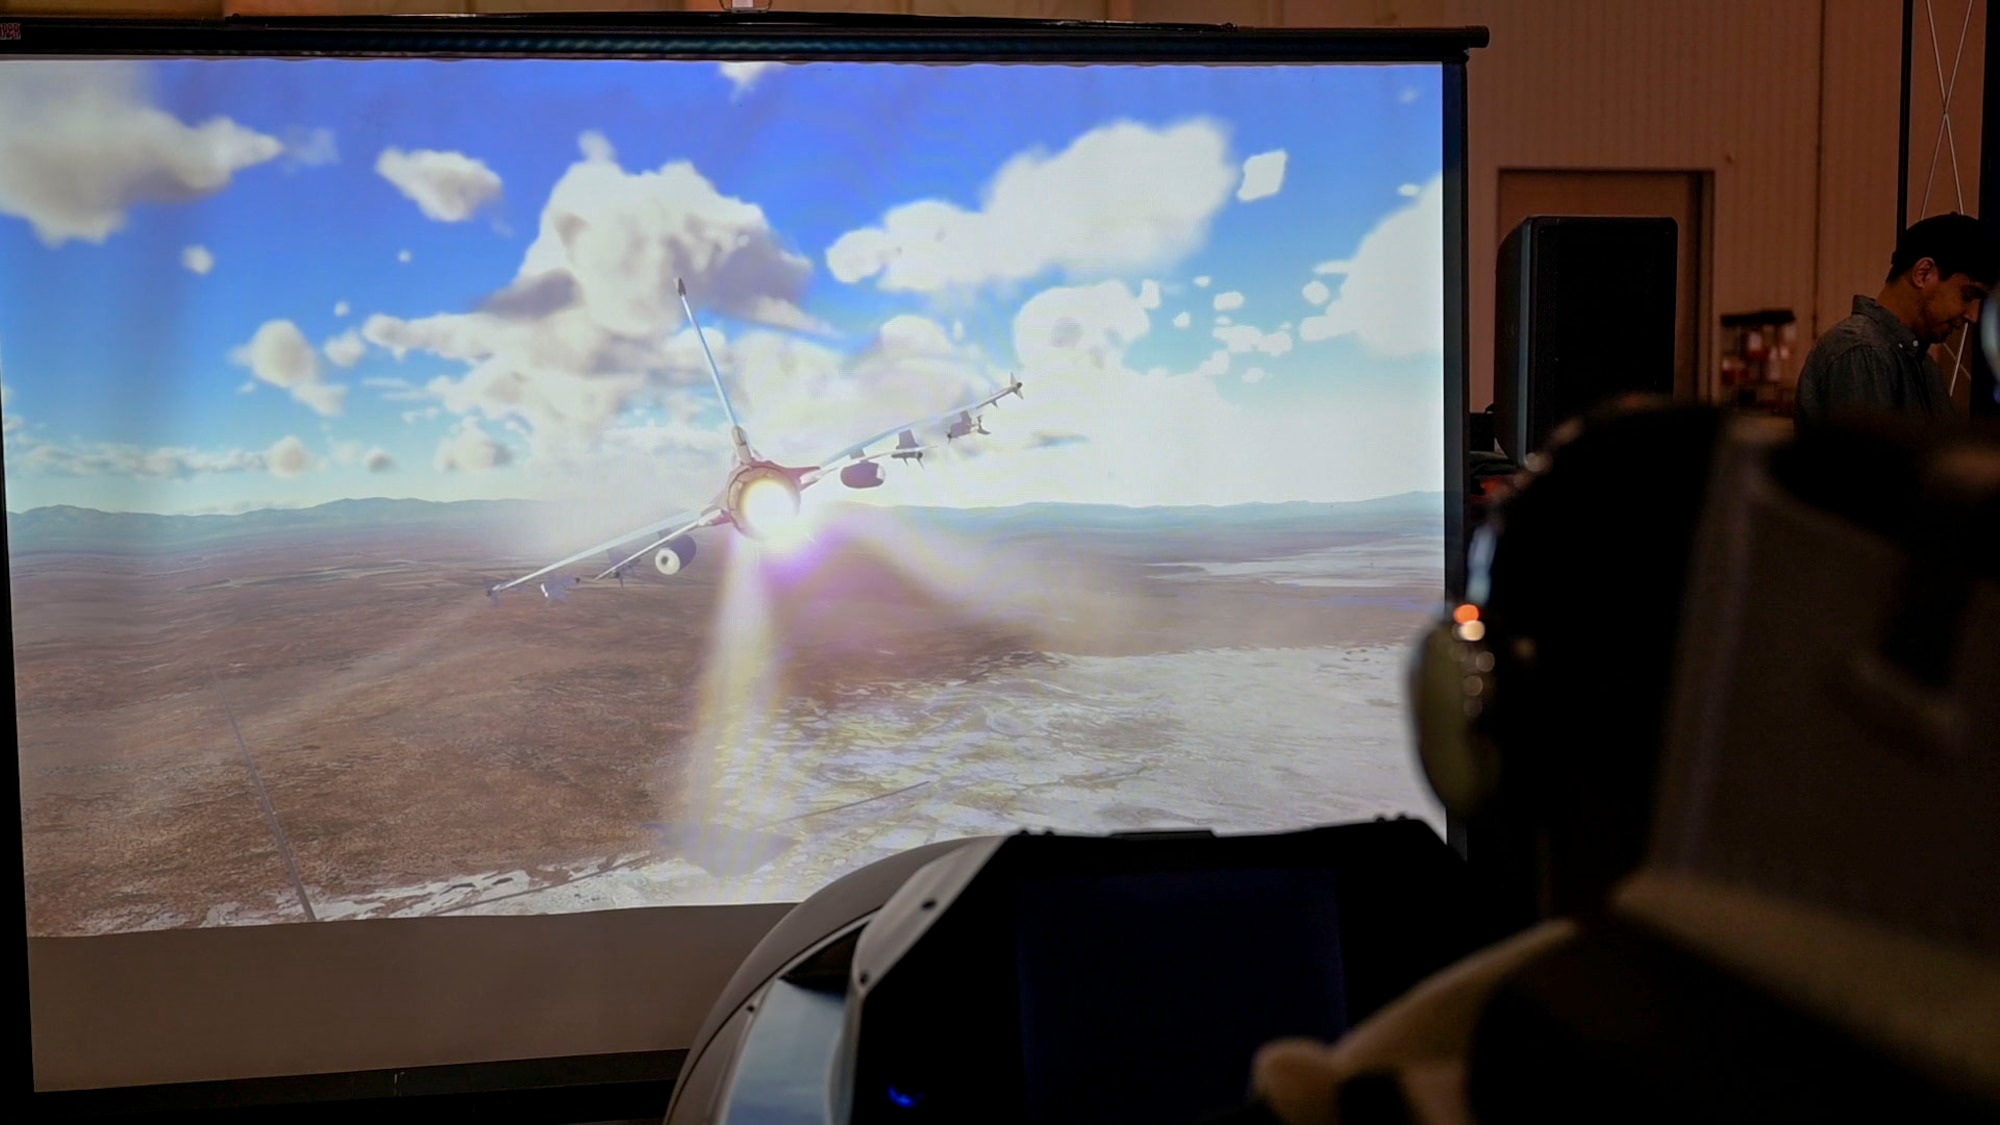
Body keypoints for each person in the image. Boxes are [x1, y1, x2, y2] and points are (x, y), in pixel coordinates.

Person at [1794, 212, 1999, 428]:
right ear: (1923, 273)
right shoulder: (1862, 351)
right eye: (1967, 295)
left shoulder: (1921, 364)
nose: (1973, 316)